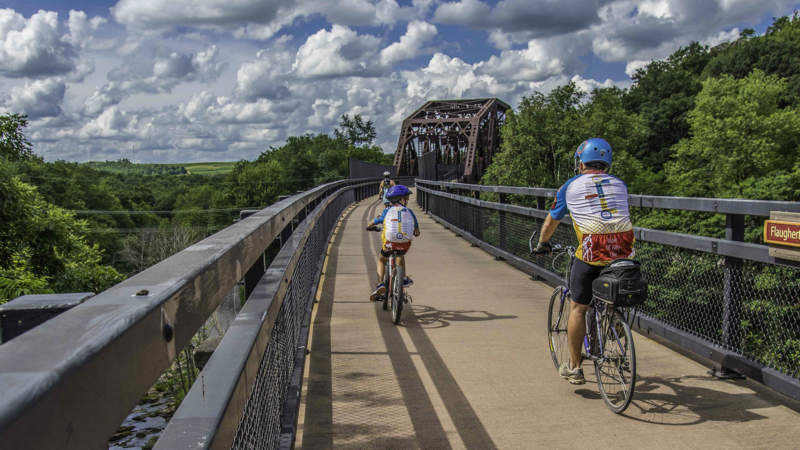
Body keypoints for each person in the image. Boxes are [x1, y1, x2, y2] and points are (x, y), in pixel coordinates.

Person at [532, 138, 635, 384]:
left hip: (592, 251)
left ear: (580, 163)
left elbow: (550, 222)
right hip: (624, 248)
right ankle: (615, 320)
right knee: (615, 285)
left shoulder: (570, 186)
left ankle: (575, 367)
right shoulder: (620, 185)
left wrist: (542, 243)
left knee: (578, 308)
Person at [366, 184, 420, 301]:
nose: (407, 201)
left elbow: (376, 221)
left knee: (381, 259)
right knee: (400, 256)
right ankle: (404, 278)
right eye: (406, 198)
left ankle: (380, 283)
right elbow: (417, 231)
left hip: (389, 243)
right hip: (405, 244)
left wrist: (369, 225)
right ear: (401, 199)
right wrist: (415, 232)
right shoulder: (409, 212)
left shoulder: (387, 211)